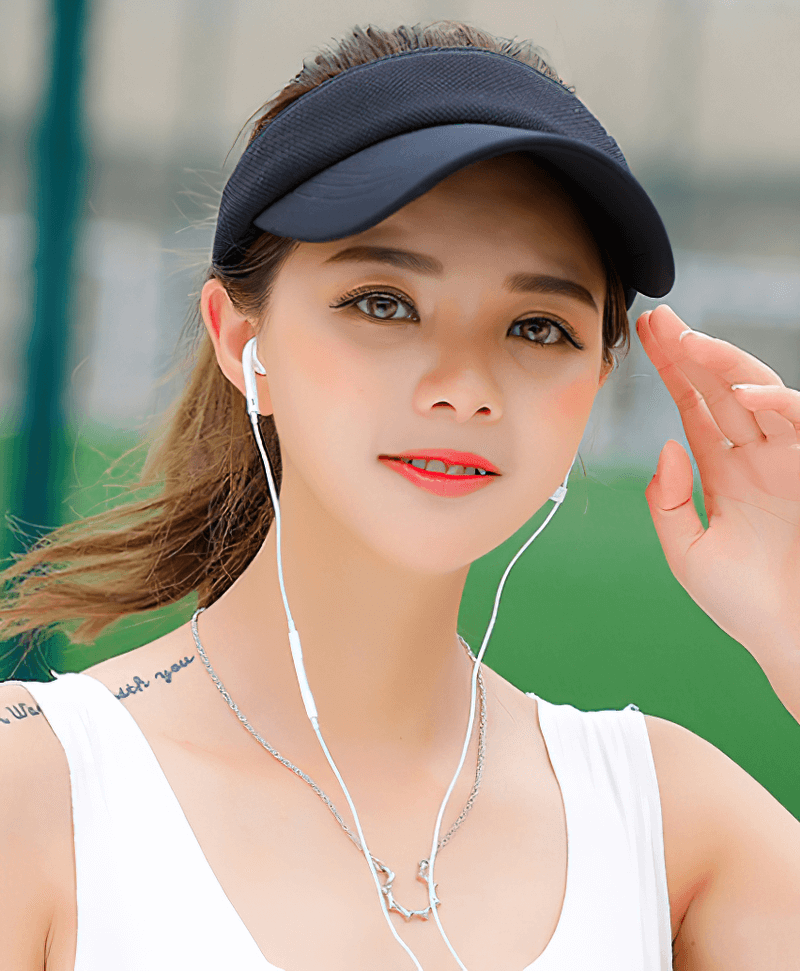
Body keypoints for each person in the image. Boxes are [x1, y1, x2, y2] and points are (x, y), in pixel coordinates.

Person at [1, 20, 799, 971]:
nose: (464, 383)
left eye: (538, 326)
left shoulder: (671, 822)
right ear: (237, 336)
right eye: (384, 302)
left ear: (598, 379)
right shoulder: (38, 794)